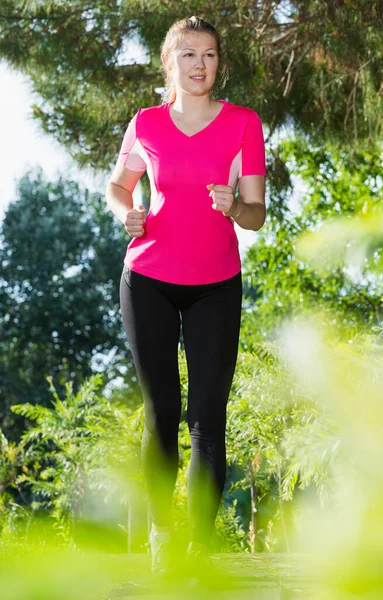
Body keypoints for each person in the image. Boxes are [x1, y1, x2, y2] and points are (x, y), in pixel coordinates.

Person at [106, 15, 266, 578]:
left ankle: (198, 548)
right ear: (170, 63)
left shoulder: (244, 124)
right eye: (190, 55)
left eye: (211, 56)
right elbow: (118, 185)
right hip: (147, 278)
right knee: (162, 413)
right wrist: (126, 212)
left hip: (216, 285)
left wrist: (233, 207)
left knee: (207, 419)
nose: (201, 65)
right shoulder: (145, 123)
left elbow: (257, 214)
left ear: (218, 64)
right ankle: (161, 533)